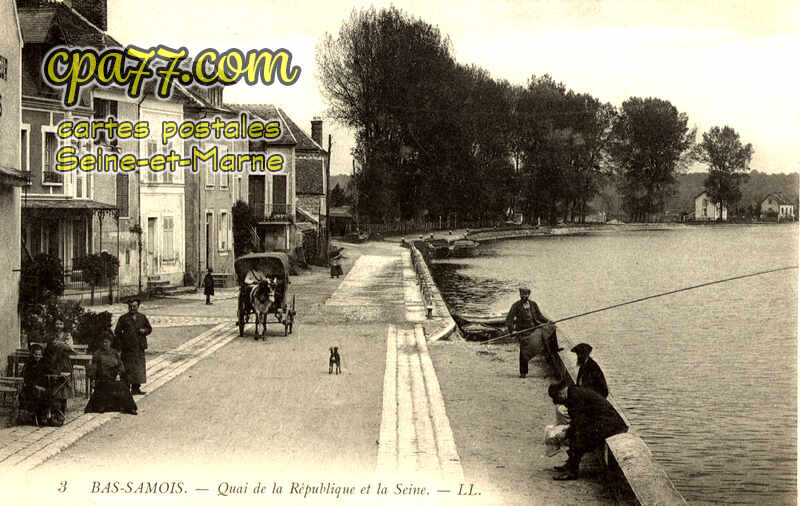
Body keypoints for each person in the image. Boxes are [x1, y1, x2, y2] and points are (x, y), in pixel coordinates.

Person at [548, 382, 628, 480]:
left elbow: (580, 421)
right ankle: (570, 465)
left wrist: (566, 433)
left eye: (558, 399)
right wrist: (569, 430)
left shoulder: (575, 396)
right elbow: (579, 419)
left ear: (561, 393)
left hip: (609, 424)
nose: (559, 402)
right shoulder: (573, 393)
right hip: (602, 421)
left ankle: (572, 471)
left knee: (579, 437)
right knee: (576, 433)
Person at [505, 287, 562, 378]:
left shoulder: (533, 304)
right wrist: (512, 330)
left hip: (534, 328)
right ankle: (523, 372)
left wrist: (548, 321)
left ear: (529, 295)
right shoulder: (516, 306)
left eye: (526, 295)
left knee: (551, 328)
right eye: (522, 295)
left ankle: (554, 349)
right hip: (523, 331)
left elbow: (540, 316)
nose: (524, 297)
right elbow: (509, 319)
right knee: (524, 350)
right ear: (520, 295)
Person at [84, 335, 137, 415]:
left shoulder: (114, 352)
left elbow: (120, 365)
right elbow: (93, 368)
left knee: (123, 386)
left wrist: (119, 373)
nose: (105, 344)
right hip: (102, 378)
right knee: (105, 385)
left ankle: (130, 408)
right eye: (103, 342)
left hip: (114, 377)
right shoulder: (97, 354)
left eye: (107, 342)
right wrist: (93, 378)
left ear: (110, 342)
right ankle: (101, 406)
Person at [114, 299, 152, 395]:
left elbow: (149, 328)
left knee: (138, 368)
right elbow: (117, 332)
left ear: (138, 306)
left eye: (134, 306)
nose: (132, 308)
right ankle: (126, 388)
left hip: (139, 347)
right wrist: (124, 340)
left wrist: (144, 331)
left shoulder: (142, 317)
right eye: (130, 306)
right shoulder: (123, 318)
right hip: (128, 348)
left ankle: (136, 388)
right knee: (127, 368)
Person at [43, 318, 75, 415]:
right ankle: (51, 409)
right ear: (54, 325)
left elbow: (70, 348)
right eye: (57, 324)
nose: (58, 326)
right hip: (52, 362)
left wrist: (61, 344)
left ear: (64, 325)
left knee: (63, 384)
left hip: (63, 362)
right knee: (52, 384)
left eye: (60, 324)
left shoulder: (67, 335)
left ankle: (62, 409)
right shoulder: (49, 335)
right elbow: (45, 348)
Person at [21, 344, 50, 425]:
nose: (37, 356)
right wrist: (35, 386)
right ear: (33, 354)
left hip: (42, 387)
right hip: (31, 387)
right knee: (36, 394)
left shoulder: (43, 364)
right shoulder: (29, 365)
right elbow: (26, 378)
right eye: (36, 354)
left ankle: (43, 416)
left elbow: (48, 373)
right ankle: (36, 416)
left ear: (42, 355)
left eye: (39, 355)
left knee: (47, 393)